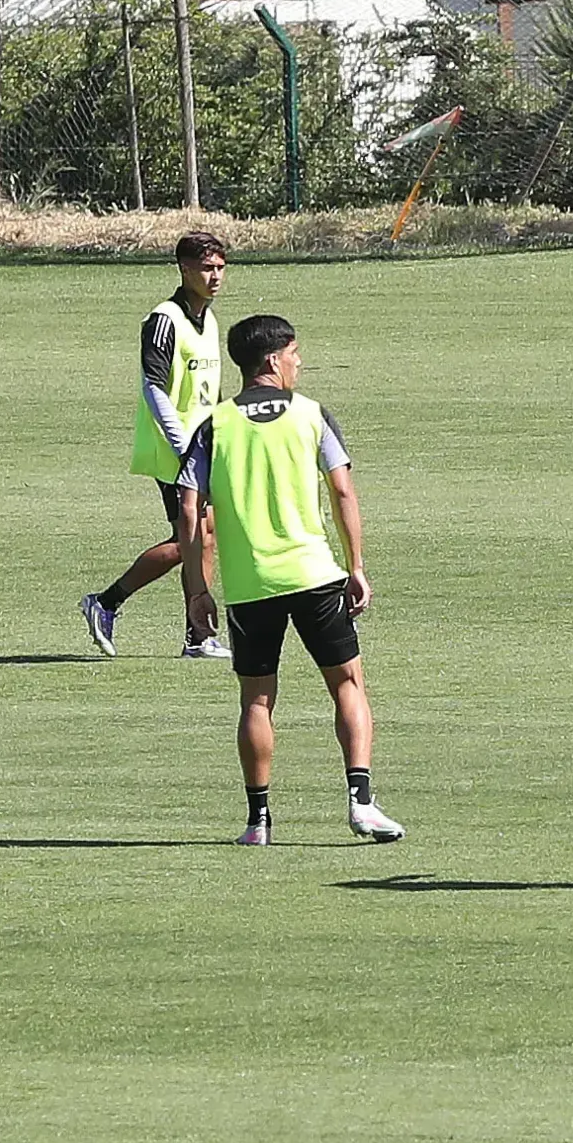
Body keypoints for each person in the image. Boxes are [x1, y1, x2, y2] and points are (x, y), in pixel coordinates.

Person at [179, 314, 402, 846]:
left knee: (256, 702)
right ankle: (362, 803)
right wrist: (357, 566)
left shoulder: (215, 425)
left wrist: (197, 589)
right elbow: (343, 492)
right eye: (295, 352)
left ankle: (258, 822)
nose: (300, 362)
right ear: (273, 359)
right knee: (348, 685)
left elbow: (190, 511)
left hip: (249, 584)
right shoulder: (311, 415)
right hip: (314, 575)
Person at [82, 233, 231, 659]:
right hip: (175, 448)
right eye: (207, 268)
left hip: (202, 446)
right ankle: (189, 633)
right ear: (184, 269)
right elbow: (154, 386)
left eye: (221, 267)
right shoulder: (165, 318)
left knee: (203, 537)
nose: (215, 276)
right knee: (194, 539)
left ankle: (187, 632)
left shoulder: (209, 319)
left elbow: (208, 390)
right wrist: (183, 443)